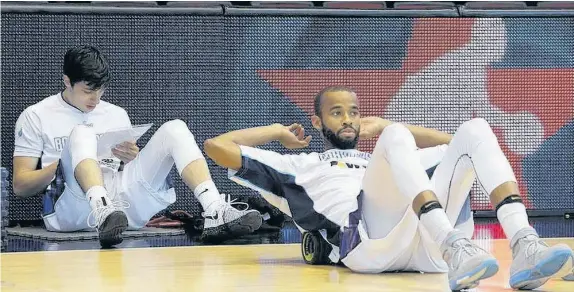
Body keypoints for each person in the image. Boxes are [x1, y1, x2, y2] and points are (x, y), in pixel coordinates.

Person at [203, 86, 573, 291]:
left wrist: (385, 126)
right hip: (366, 247)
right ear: (317, 120)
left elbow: (462, 143)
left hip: (426, 250)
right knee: (399, 138)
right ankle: (453, 244)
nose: (348, 118)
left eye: (353, 111)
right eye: (336, 112)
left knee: (476, 127)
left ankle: (524, 243)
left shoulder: (386, 156)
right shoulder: (298, 166)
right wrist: (277, 133)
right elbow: (216, 147)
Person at [12, 45, 262, 248]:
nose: (96, 99)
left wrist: (133, 157)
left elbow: (128, 170)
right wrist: (67, 166)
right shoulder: (37, 115)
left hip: (123, 207)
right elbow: (21, 186)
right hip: (72, 206)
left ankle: (214, 209)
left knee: (175, 128)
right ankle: (100, 207)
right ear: (66, 81)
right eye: (88, 90)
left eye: (101, 90)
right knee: (82, 132)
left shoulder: (116, 113)